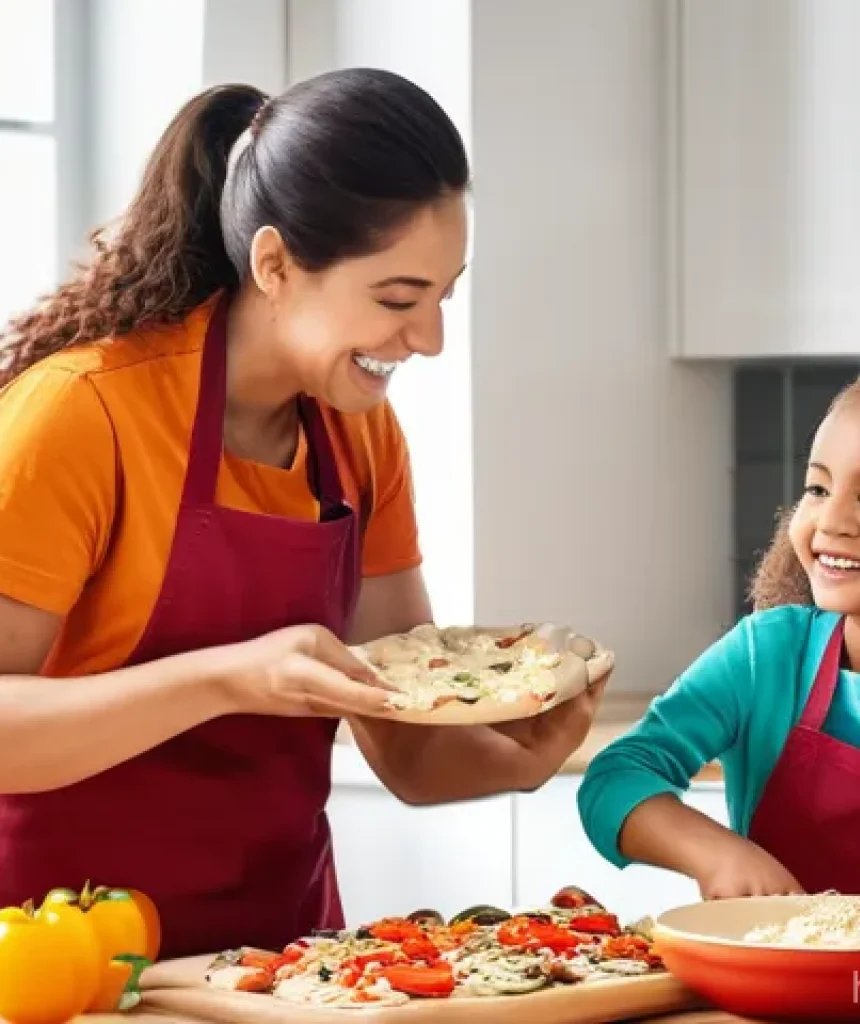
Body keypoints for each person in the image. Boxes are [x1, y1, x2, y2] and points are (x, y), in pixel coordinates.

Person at [0, 68, 609, 959]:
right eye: (399, 299)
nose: (431, 338)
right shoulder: (82, 414)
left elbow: (405, 748)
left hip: (279, 960)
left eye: (444, 294)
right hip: (54, 961)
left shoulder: (359, 437)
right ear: (276, 265)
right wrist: (229, 678)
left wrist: (519, 753)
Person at [578, 351, 860, 914]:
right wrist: (715, 852)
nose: (830, 521)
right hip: (778, 995)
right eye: (818, 489)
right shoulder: (767, 656)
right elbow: (615, 778)